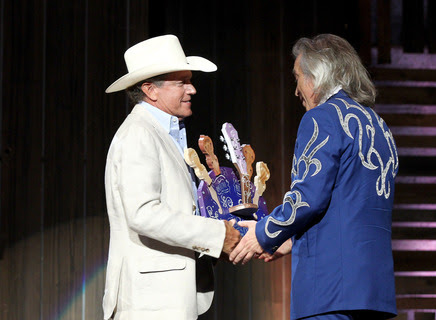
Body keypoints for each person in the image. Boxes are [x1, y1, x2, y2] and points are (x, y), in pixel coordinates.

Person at [230, 34, 399, 320]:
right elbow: (350, 208)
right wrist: (290, 240)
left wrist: (263, 234)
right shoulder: (378, 125)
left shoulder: (322, 118)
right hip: (373, 292)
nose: (296, 90)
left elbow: (308, 199)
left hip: (329, 291)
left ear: (316, 76)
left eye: (297, 77)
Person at [102, 34, 241, 320]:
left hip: (166, 298)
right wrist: (216, 235)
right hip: (150, 302)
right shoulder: (138, 135)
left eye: (190, 80)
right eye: (181, 82)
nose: (192, 89)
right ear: (151, 90)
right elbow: (143, 213)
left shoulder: (163, 132)